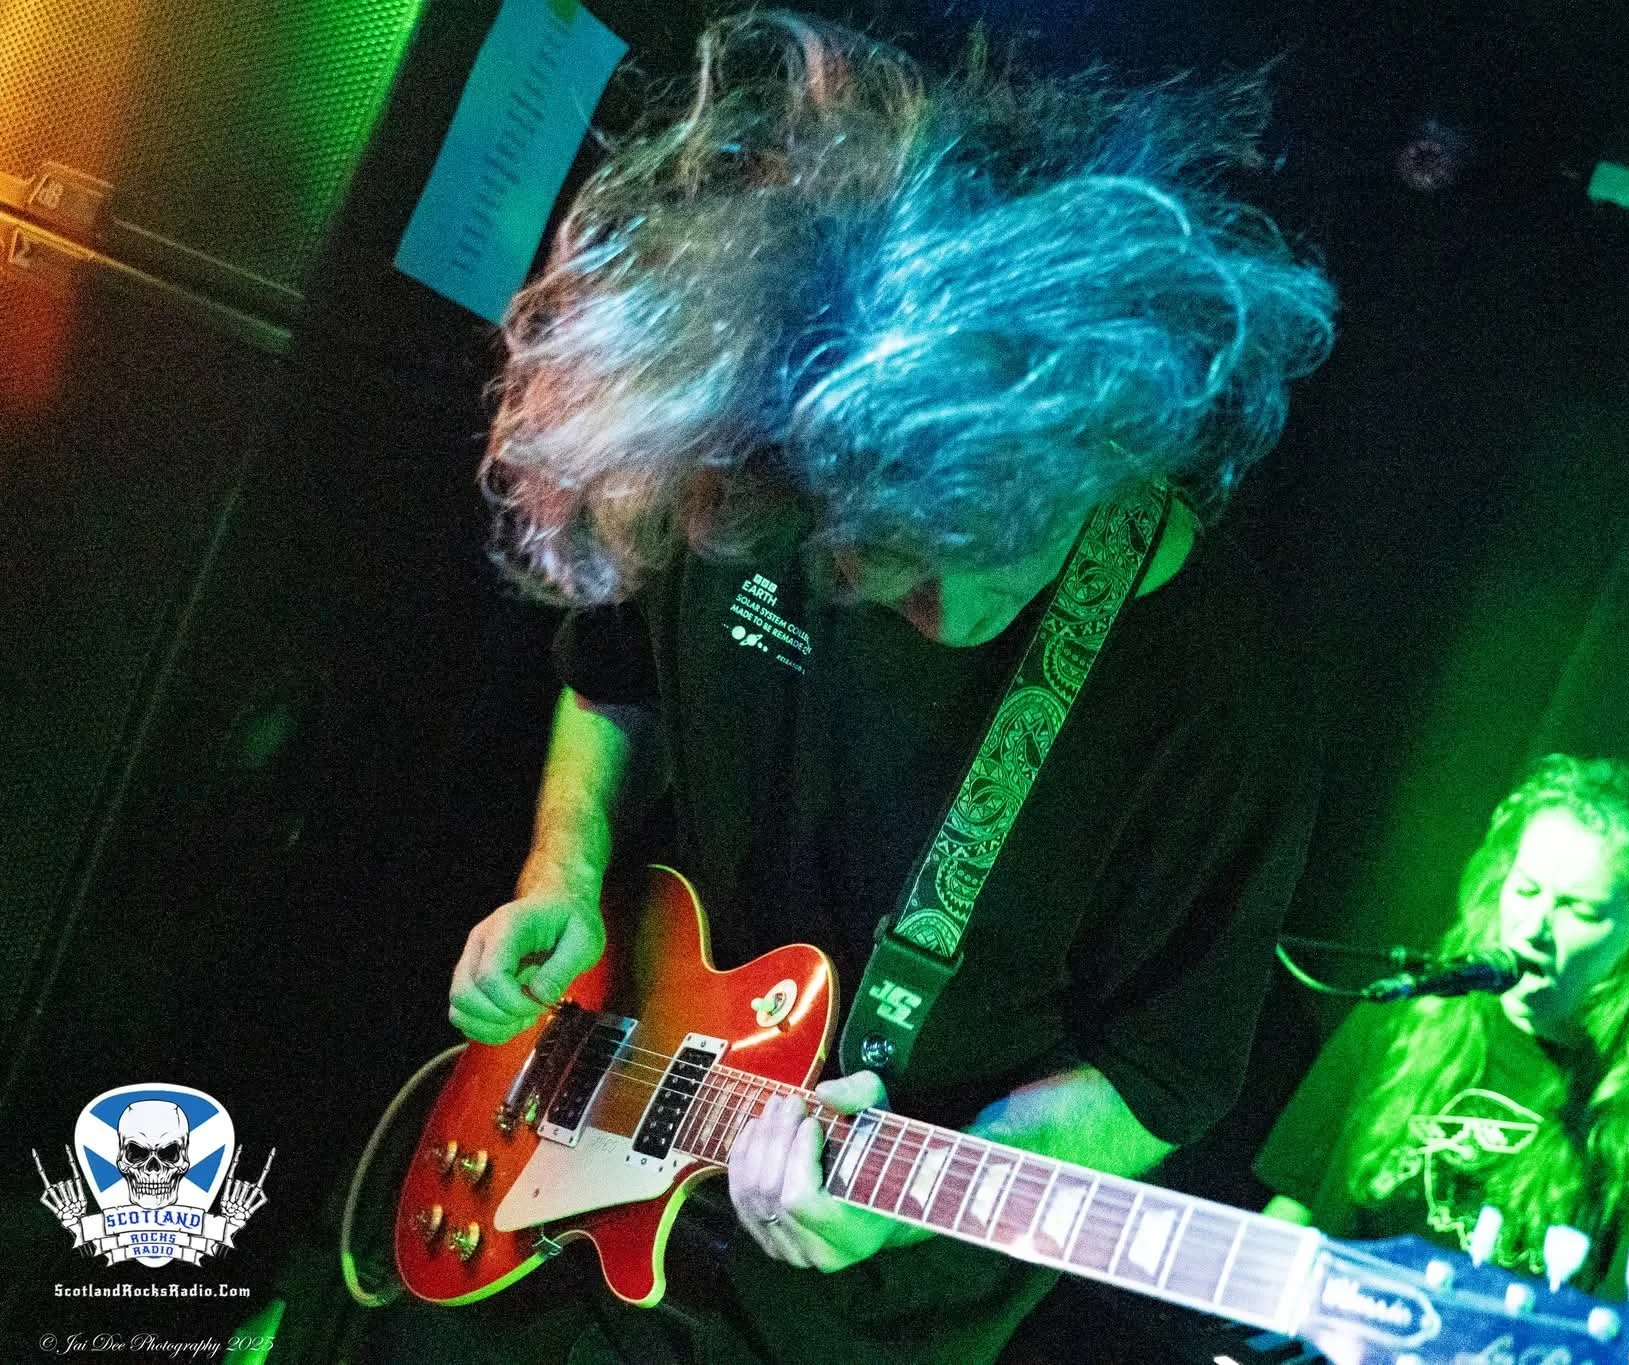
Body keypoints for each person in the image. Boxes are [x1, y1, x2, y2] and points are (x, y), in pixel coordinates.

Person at [441, 11, 1337, 1364]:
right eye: (854, 558)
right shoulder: (761, 471)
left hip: (858, 1312)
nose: (904, 604)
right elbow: (610, 672)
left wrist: (915, 1193)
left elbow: (1158, 1075)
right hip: (576, 1144)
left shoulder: (1222, 703)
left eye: (945, 562)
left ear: (1086, 456)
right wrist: (560, 876)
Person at [1255, 755, 1629, 1309]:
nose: (1534, 927)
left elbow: (1620, 1338)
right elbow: (1291, 1215)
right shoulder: (1403, 1010)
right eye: (1525, 890)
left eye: (1579, 910)